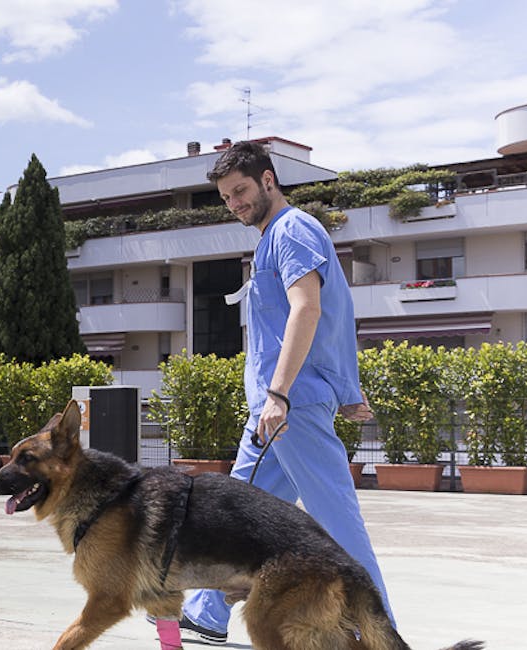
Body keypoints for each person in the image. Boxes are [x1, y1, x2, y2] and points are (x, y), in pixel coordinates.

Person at [175, 140, 390, 643]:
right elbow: (334, 318)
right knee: (239, 515)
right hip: (277, 409)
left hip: (286, 407)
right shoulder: (273, 236)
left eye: (242, 191)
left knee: (337, 521)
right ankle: (207, 611)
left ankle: (377, 631)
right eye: (227, 196)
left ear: (268, 180)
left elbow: (309, 311)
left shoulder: (292, 230)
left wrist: (280, 394)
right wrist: (341, 388)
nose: (235, 204)